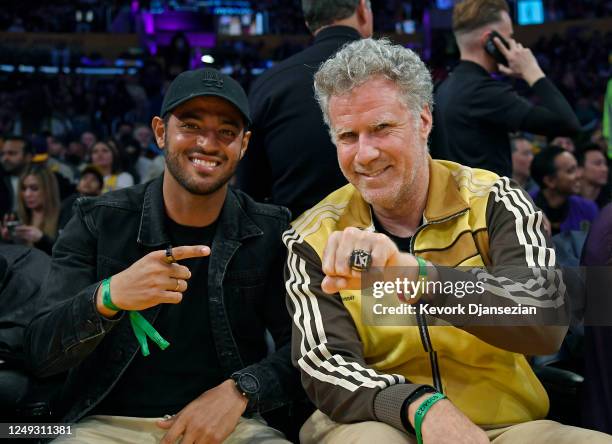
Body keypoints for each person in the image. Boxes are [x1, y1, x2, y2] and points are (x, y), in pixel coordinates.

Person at [285, 38, 611, 443]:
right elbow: (326, 366)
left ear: (423, 120)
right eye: (348, 136)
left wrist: (422, 278)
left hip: (507, 426)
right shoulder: (313, 234)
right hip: (378, 423)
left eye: (382, 128)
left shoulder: (495, 198)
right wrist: (419, 406)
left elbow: (546, 319)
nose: (364, 154)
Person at [24, 67, 299, 443]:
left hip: (230, 424)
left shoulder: (269, 229)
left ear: (244, 145)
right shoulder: (97, 219)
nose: (208, 143)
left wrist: (242, 390)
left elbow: (303, 350)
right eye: (191, 125)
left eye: (227, 132)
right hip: (103, 424)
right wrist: (108, 296)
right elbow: (40, 351)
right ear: (159, 132)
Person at [236, 0, 373, 218]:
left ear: (309, 21)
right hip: (390, 244)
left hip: (293, 243)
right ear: (362, 10)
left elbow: (249, 192)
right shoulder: (400, 79)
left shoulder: (270, 85)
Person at [429, 0, 580, 177]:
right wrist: (532, 72)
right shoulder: (483, 92)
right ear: (490, 41)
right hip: (486, 203)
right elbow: (568, 124)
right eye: (509, 37)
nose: (513, 44)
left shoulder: (443, 87)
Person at [531, 146, 599, 235]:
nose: (579, 175)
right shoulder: (526, 209)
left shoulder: (587, 208)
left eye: (577, 168)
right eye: (570, 171)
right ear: (550, 181)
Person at [1, 164, 60, 255]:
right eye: (24, 188)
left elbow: (66, 255)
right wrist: (7, 240)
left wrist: (41, 239)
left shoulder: (62, 216)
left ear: (48, 189)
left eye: (34, 188)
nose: (27, 194)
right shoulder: (19, 218)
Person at [58, 165, 104, 231]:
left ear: (100, 190)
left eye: (94, 180)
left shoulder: (100, 207)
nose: (88, 182)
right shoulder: (68, 202)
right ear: (78, 185)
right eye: (85, 178)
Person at [577, 143, 610, 209]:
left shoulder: (608, 206)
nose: (605, 169)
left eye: (605, 164)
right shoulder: (568, 203)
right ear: (579, 170)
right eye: (597, 164)